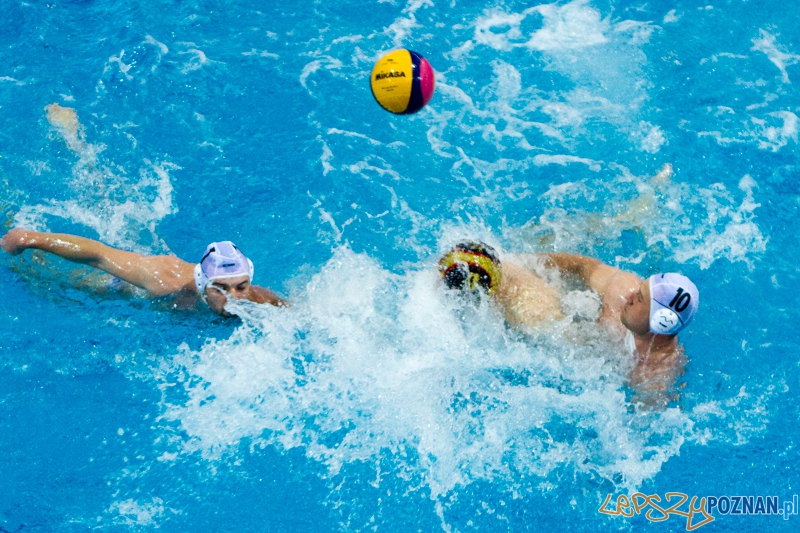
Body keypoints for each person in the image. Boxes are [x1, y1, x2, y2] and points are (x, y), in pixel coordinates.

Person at [439, 242, 699, 406]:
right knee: (509, 276)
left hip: (584, 366)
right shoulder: (623, 289)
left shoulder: (654, 377)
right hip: (576, 325)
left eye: (639, 299)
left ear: (660, 323)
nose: (631, 296)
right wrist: (528, 260)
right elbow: (582, 266)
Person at [1, 228, 285, 316]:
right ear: (201, 282)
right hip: (122, 288)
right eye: (220, 288)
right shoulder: (165, 279)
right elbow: (98, 254)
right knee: (43, 278)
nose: (234, 297)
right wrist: (31, 239)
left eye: (240, 286)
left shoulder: (256, 298)